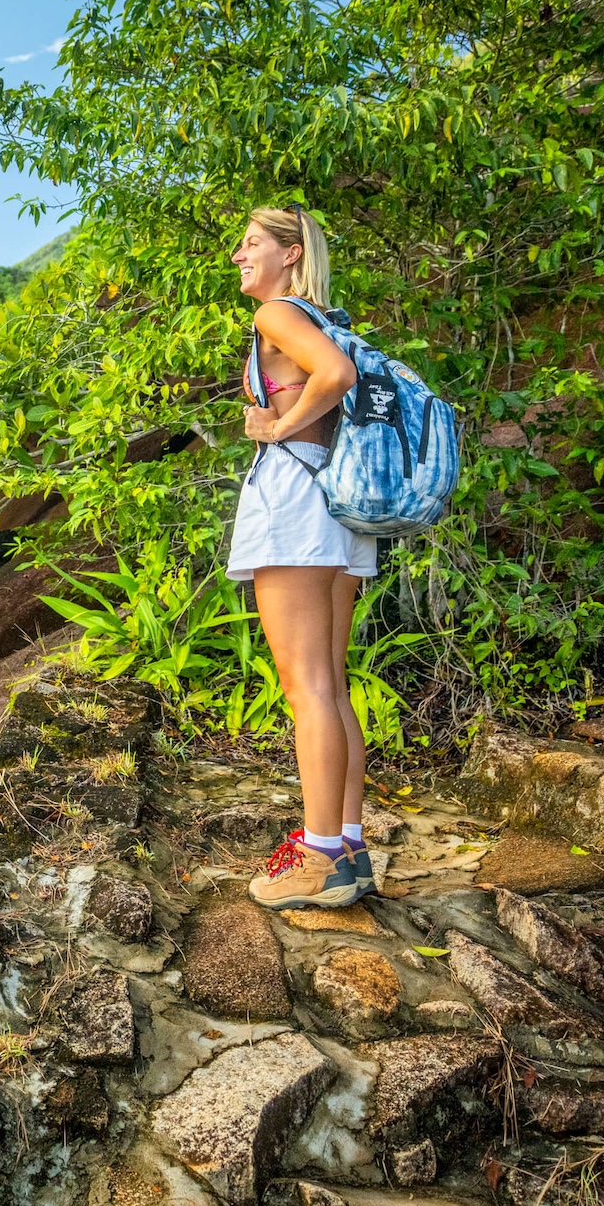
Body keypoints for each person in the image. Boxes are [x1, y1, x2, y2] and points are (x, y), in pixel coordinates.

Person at [225, 205, 378, 909]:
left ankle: (317, 858)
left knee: (307, 689)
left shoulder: (278, 315)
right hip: (338, 504)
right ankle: (347, 846)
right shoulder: (324, 317)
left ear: (290, 254)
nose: (238, 255)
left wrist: (277, 425)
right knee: (330, 685)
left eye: (251, 242)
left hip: (295, 502)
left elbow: (336, 375)